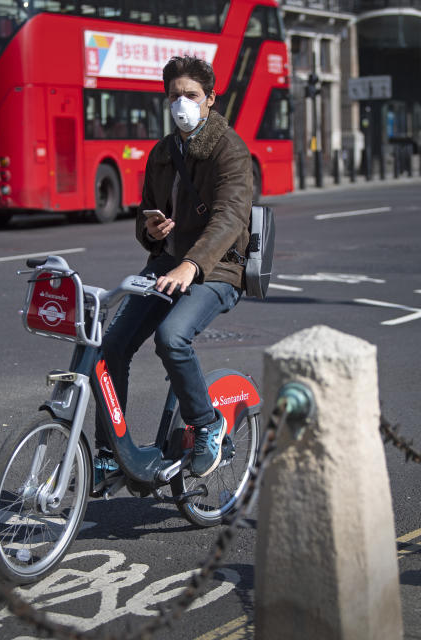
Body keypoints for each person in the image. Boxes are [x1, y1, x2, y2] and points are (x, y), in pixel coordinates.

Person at [96, 56, 253, 479]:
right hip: (168, 262)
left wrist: (191, 265)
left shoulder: (230, 150)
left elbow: (230, 218)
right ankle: (109, 451)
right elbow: (146, 217)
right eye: (174, 96)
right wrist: (151, 228)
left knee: (171, 336)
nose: (181, 103)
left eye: (191, 95)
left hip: (218, 268)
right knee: (111, 347)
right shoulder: (163, 153)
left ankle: (207, 424)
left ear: (210, 100)